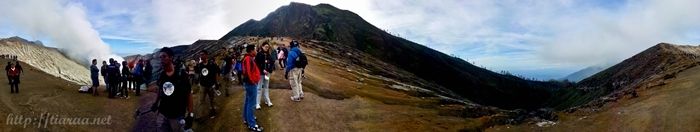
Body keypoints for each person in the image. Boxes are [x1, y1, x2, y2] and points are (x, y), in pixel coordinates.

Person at [150, 47, 194, 132]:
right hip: (163, 113)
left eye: (164, 56)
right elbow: (160, 90)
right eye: (160, 57)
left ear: (171, 58)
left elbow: (188, 94)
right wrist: (155, 103)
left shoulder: (181, 74)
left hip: (177, 116)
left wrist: (191, 114)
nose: (162, 59)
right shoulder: (162, 75)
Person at [242, 44, 263, 131]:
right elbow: (248, 73)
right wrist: (253, 82)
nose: (256, 51)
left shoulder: (249, 58)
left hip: (249, 84)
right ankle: (252, 124)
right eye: (255, 49)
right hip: (250, 84)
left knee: (247, 101)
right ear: (251, 51)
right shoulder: (248, 59)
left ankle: (246, 118)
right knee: (251, 104)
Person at [195, 50, 220, 118]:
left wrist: (217, 83)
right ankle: (200, 116)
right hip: (203, 85)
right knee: (201, 100)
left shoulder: (212, 64)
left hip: (211, 85)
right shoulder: (199, 65)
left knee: (212, 99)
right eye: (200, 55)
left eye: (202, 54)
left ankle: (213, 111)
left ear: (206, 55)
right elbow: (198, 73)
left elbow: (216, 73)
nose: (201, 56)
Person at [255, 42, 274, 109]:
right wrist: (262, 69)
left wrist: (269, 70)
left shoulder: (269, 55)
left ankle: (267, 100)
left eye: (267, 47)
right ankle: (257, 103)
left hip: (267, 74)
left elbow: (272, 63)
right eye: (265, 46)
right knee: (259, 88)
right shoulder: (259, 54)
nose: (267, 48)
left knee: (266, 87)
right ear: (262, 47)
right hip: (260, 74)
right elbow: (256, 64)